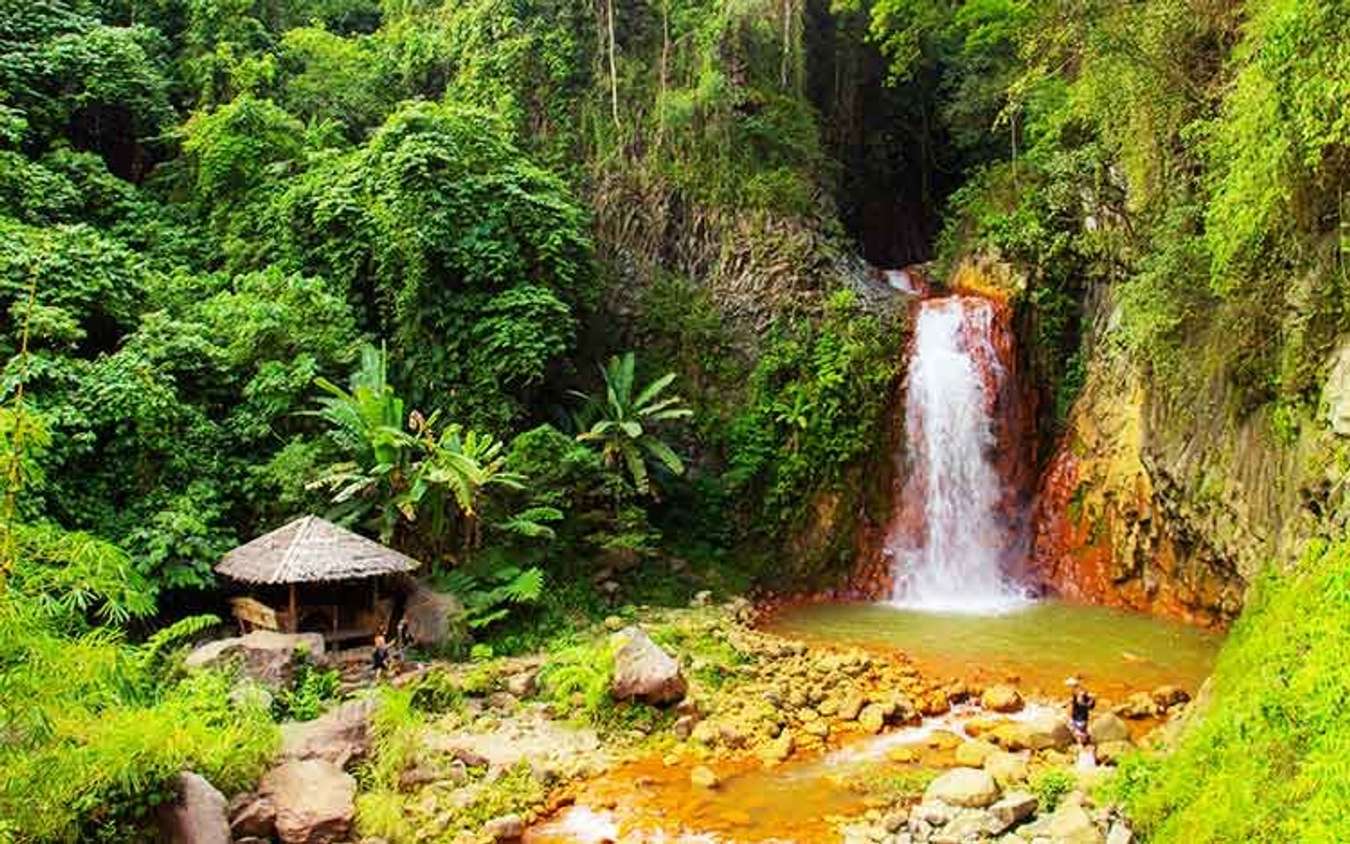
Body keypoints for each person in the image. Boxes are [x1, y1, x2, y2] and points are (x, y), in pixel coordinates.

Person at [1067, 677, 1095, 746]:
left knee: (1079, 732)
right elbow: (1085, 706)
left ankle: (1081, 743)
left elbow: (1087, 706)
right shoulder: (1079, 694)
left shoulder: (1082, 694)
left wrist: (1090, 701)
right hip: (1079, 717)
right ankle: (1081, 743)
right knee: (1080, 731)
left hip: (1080, 718)